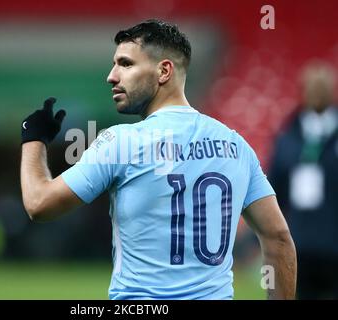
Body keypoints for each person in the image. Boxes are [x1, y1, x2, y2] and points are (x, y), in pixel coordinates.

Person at [20, 19, 296, 300]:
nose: (112, 76)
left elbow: (39, 204)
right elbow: (278, 238)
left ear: (164, 71)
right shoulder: (236, 145)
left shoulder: (122, 142)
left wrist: (33, 138)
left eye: (126, 64)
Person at [268, 61, 338, 299]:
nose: (317, 93)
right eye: (313, 87)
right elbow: (274, 192)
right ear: (303, 91)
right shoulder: (287, 137)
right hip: (300, 246)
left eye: (322, 87)